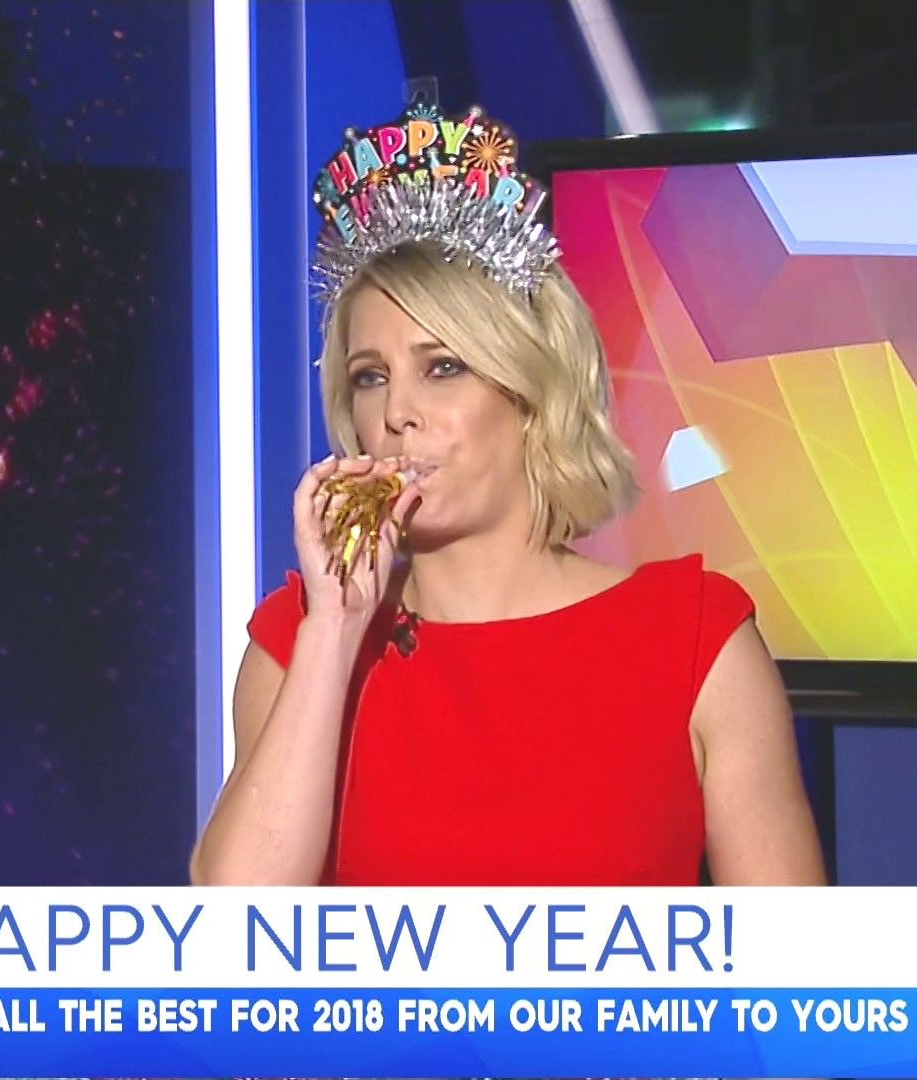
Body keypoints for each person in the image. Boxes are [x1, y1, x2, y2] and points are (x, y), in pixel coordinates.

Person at [189, 103, 822, 888]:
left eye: (443, 367)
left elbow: (794, 961)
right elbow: (234, 930)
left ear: (530, 395)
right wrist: (335, 632)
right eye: (370, 377)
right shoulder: (297, 640)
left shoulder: (693, 639)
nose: (396, 412)